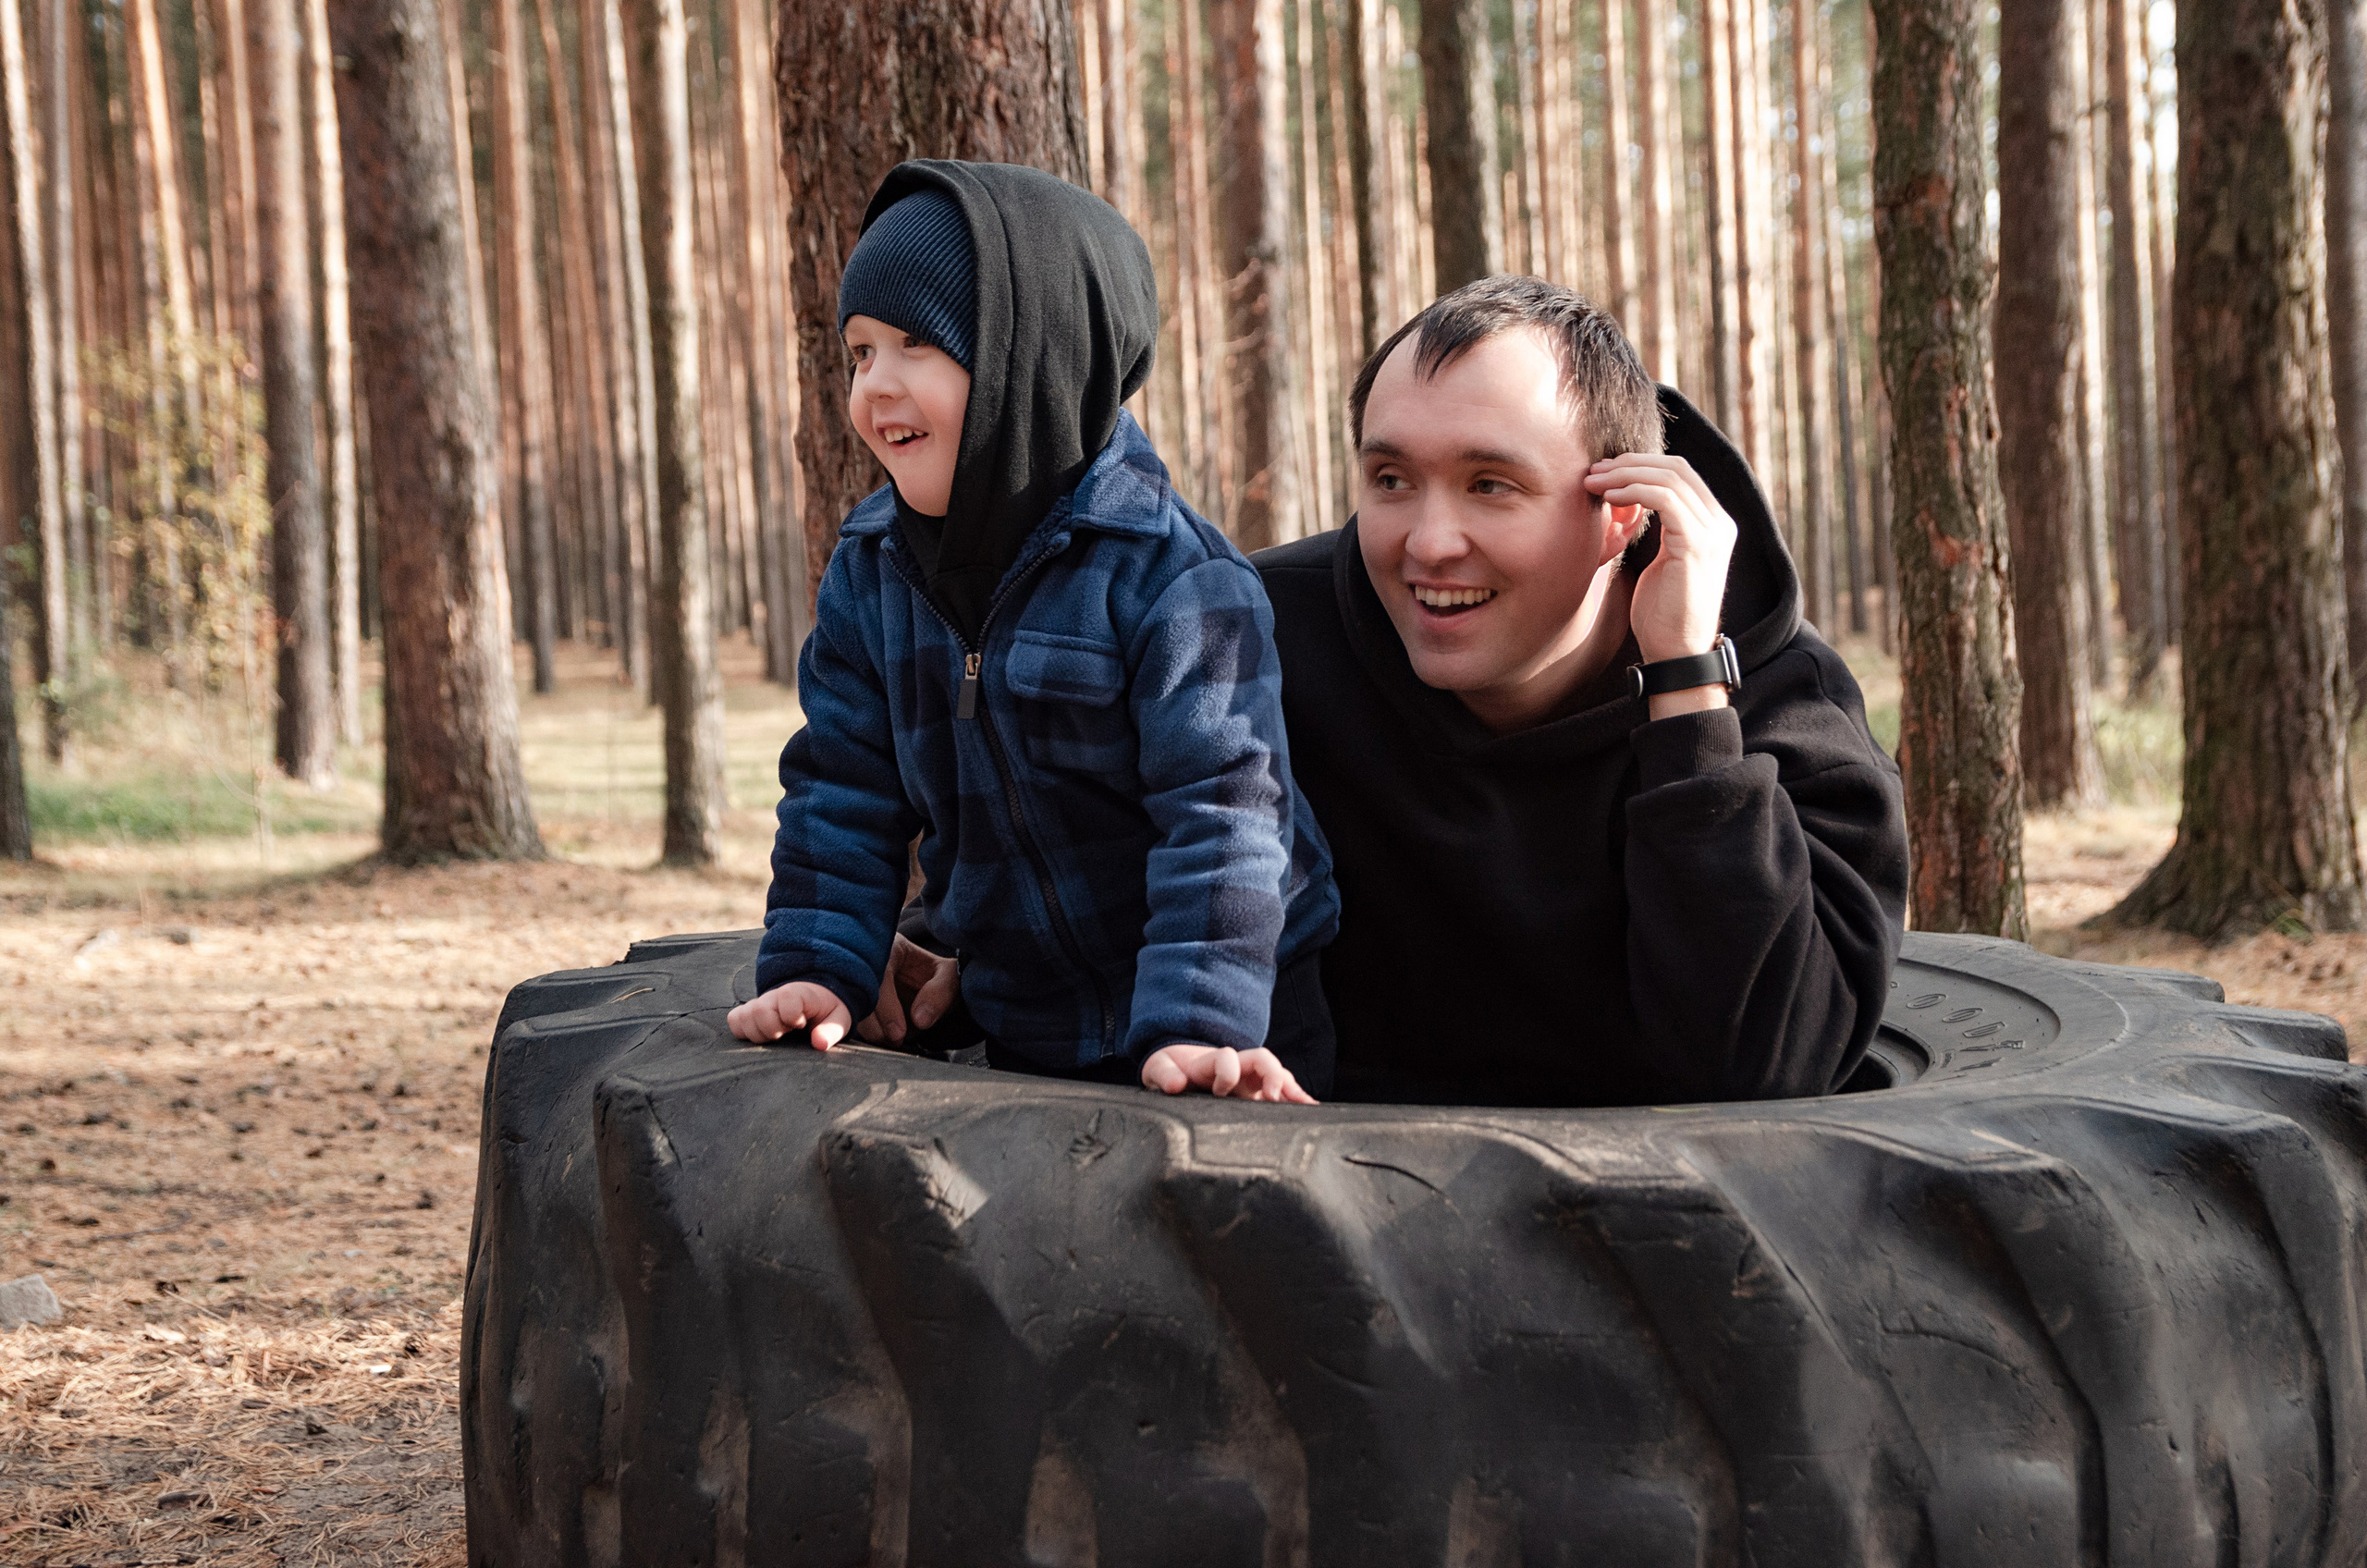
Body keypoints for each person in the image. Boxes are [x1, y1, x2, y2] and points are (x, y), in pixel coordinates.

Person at [726, 160, 1339, 1105]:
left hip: (1235, 1016)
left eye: (914, 346)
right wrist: (819, 966)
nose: (874, 386)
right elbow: (839, 790)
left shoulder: (1172, 577)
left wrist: (1200, 1021)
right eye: (858, 352)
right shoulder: (871, 571)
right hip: (1028, 1015)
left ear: (1034, 353)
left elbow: (1224, 814)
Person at [1253, 275, 1908, 1106]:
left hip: (1664, 1211)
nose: (1428, 541)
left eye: (1490, 484)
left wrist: (1685, 693)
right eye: (1391, 478)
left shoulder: (1780, 702)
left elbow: (1766, 1065)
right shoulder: (1257, 643)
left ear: (1620, 515)